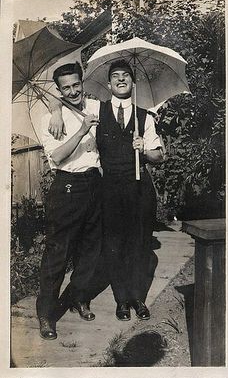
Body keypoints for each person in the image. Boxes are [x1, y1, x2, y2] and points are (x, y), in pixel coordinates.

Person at [49, 59, 164, 322]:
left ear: (132, 83)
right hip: (109, 190)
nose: (121, 79)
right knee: (114, 246)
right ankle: (122, 300)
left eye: (126, 75)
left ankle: (138, 298)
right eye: (115, 76)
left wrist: (143, 149)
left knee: (140, 244)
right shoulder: (95, 109)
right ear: (109, 83)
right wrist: (55, 110)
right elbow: (63, 98)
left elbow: (159, 156)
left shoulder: (143, 115)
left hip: (139, 190)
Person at [37, 62, 102, 340]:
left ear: (82, 82)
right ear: (59, 90)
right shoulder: (50, 118)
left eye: (77, 84)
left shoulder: (95, 107)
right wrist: (79, 129)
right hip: (67, 187)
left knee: (90, 249)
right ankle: (47, 314)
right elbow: (59, 157)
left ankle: (78, 297)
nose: (73, 91)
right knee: (58, 254)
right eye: (67, 88)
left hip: (95, 184)